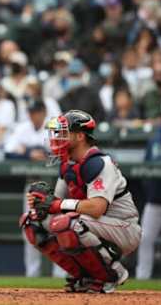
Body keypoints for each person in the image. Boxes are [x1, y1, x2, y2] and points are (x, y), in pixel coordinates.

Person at [20, 110, 141, 293]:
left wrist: (58, 204)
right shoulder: (68, 163)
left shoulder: (99, 163)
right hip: (93, 224)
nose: (57, 137)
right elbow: (56, 205)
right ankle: (84, 275)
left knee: (70, 224)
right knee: (32, 221)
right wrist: (42, 203)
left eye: (64, 132)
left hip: (123, 227)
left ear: (80, 136)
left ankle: (112, 274)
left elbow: (97, 207)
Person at [4, 100, 66, 278]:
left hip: (55, 187)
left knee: (57, 228)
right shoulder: (23, 128)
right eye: (31, 112)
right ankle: (33, 273)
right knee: (30, 230)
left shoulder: (54, 127)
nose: (33, 115)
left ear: (44, 111)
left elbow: (62, 152)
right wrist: (27, 153)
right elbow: (8, 150)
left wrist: (42, 152)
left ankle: (60, 272)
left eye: (36, 111)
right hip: (32, 187)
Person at [136, 101, 161, 279]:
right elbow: (145, 169)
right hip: (154, 201)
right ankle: (142, 278)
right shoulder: (155, 140)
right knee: (145, 238)